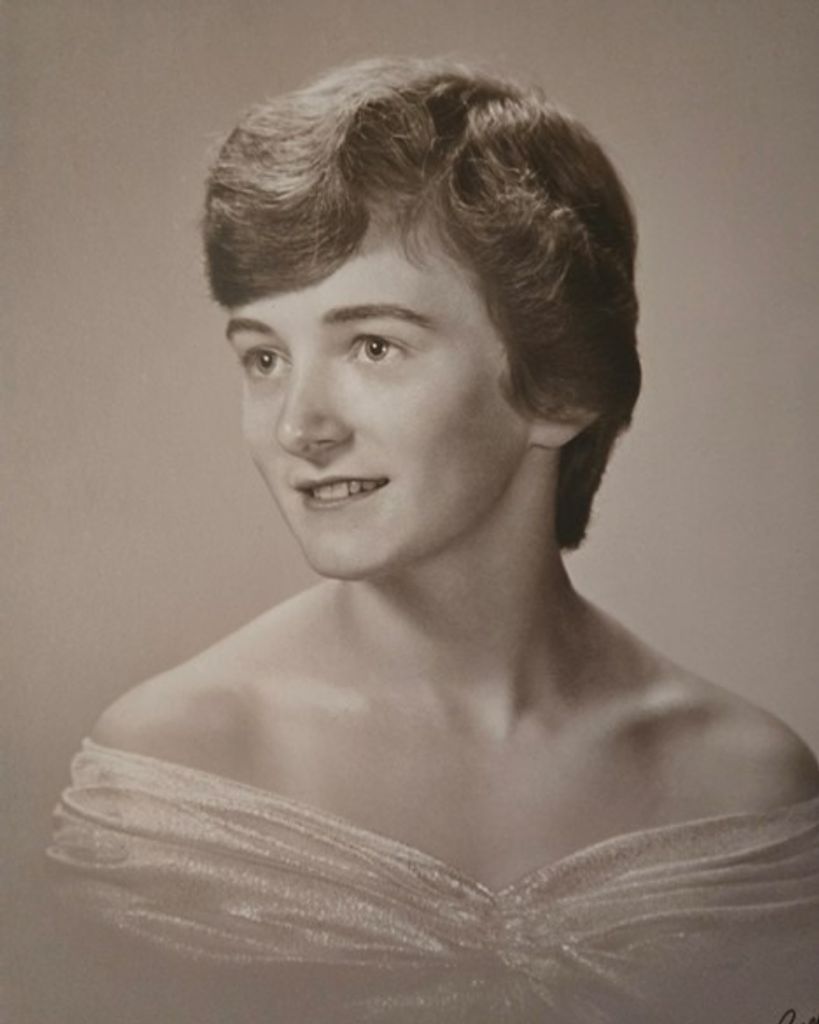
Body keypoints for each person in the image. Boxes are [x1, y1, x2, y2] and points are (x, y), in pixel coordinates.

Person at [49, 57, 819, 1023]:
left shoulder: (743, 786)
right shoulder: (172, 766)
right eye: (264, 357)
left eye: (373, 346)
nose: (299, 426)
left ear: (557, 389)